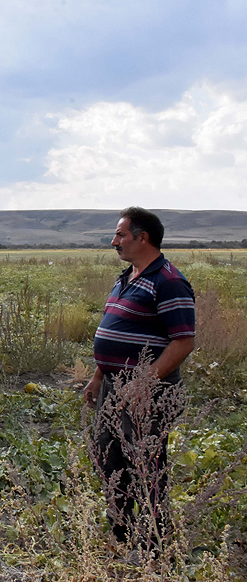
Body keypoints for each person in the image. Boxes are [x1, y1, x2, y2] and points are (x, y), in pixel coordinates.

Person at [83, 206, 195, 550]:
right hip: (115, 386)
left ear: (142, 238)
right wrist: (99, 375)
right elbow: (115, 331)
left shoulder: (168, 281)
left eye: (120, 235)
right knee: (109, 458)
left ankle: (154, 542)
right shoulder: (127, 277)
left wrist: (144, 382)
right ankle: (120, 534)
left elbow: (183, 341)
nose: (114, 241)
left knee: (144, 463)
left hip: (147, 391)